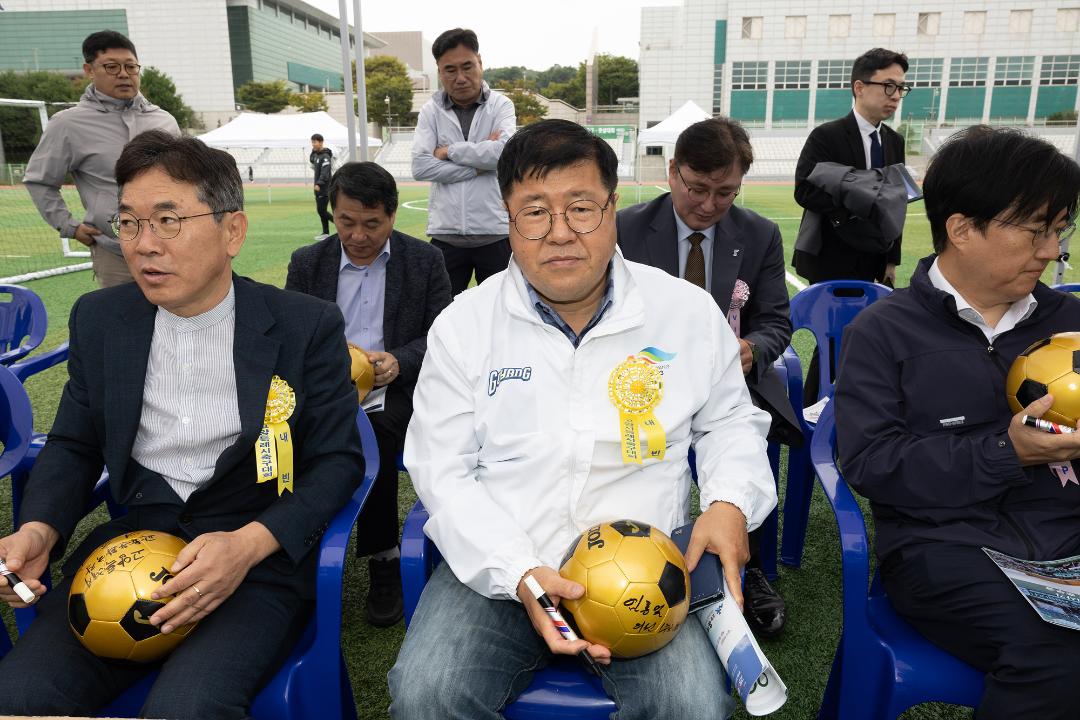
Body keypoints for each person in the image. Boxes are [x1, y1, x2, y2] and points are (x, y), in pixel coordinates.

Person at [390, 119, 777, 719]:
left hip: (644, 574)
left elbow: (730, 421)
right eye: (535, 212)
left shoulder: (684, 312)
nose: (560, 234)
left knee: (693, 706)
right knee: (428, 694)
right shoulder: (465, 324)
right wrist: (517, 569)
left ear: (613, 208)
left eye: (581, 208)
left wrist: (728, 502)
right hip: (506, 564)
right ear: (508, 220)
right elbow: (440, 468)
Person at [0, 130, 364, 719]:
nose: (144, 246)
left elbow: (338, 461)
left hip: (253, 564)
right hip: (128, 559)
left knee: (188, 708)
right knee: (17, 698)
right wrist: (39, 530)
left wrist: (249, 546)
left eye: (169, 221)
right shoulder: (101, 319)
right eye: (129, 223)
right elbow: (73, 442)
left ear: (232, 232)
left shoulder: (303, 325)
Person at [834, 126, 1080, 719]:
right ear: (963, 229)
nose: (1052, 250)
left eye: (1060, 230)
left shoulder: (1070, 320)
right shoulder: (885, 332)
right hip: (943, 548)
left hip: (1067, 533)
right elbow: (872, 464)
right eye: (1036, 230)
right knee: (1055, 656)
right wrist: (1007, 451)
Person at [617, 117, 800, 638]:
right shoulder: (627, 228)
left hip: (730, 383)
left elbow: (775, 320)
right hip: (640, 384)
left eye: (725, 192)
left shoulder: (759, 234)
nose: (708, 204)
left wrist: (751, 350)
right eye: (697, 188)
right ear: (672, 172)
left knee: (751, 438)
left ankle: (752, 566)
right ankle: (642, 555)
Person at [285, 161, 452, 627]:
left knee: (371, 433)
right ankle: (292, 544)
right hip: (322, 388)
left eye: (371, 224)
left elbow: (442, 335)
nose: (358, 235)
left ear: (393, 216)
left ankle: (383, 556)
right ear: (333, 213)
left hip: (393, 389)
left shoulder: (425, 261)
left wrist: (398, 360)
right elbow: (290, 336)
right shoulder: (307, 262)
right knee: (279, 431)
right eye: (346, 222)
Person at [23, 30, 180, 289]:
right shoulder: (68, 124)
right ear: (89, 70)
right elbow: (39, 181)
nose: (123, 74)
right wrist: (68, 225)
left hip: (171, 244)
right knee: (122, 324)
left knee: (181, 320)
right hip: (115, 251)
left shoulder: (164, 121)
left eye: (131, 67)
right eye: (111, 67)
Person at [411, 27, 516, 296]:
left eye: (467, 66)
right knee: (439, 314)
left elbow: (505, 155)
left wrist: (450, 151)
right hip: (445, 234)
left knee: (503, 310)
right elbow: (421, 166)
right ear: (439, 71)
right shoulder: (430, 111)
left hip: (494, 231)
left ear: (480, 62)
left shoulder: (501, 106)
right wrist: (479, 167)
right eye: (450, 70)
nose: (460, 78)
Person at [792, 48, 908, 286]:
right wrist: (857, 206)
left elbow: (896, 202)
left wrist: (891, 260)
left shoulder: (895, 141)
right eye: (888, 85)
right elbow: (804, 190)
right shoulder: (826, 136)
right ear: (859, 87)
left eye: (901, 88)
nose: (896, 95)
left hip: (876, 259)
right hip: (831, 257)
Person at [309, 133, 334, 240]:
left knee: (322, 211)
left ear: (321, 142)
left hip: (324, 188)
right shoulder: (317, 155)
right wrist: (313, 151)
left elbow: (325, 173)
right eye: (312, 142)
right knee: (321, 211)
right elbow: (311, 159)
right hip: (318, 189)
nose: (313, 144)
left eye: (314, 142)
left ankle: (340, 224)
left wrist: (319, 183)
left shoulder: (325, 157)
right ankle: (325, 233)